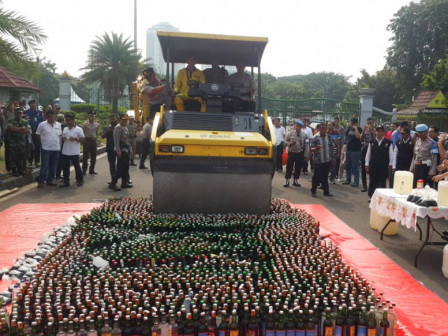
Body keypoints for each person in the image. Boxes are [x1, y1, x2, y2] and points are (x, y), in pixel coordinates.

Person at [365, 126, 394, 199]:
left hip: (383, 166)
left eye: (380, 131)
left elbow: (391, 154)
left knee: (382, 182)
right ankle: (371, 196)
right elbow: (368, 153)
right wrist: (367, 163)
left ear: (384, 133)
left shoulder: (388, 142)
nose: (378, 133)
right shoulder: (372, 142)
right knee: (373, 181)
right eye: (377, 131)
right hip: (373, 165)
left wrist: (391, 164)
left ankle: (382, 197)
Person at [36, 110, 62, 188]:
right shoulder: (42, 124)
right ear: (47, 117)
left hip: (56, 148)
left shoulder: (58, 125)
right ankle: (41, 181)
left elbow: (60, 135)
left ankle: (50, 180)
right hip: (46, 148)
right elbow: (38, 134)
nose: (51, 118)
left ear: (55, 116)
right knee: (45, 165)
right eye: (50, 117)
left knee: (53, 166)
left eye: (53, 116)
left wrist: (59, 145)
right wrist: (42, 143)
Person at [310, 124, 336, 197]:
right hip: (318, 160)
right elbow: (310, 149)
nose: (324, 131)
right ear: (319, 129)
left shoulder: (329, 137)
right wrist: (316, 149)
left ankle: (326, 191)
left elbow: (332, 147)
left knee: (325, 176)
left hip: (327, 160)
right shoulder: (315, 138)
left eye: (325, 129)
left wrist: (333, 158)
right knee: (316, 176)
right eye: (322, 129)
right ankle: (313, 191)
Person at [109, 114, 133, 191]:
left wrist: (130, 149)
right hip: (121, 150)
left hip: (126, 149)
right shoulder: (118, 128)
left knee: (126, 168)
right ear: (120, 120)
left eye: (126, 120)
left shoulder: (125, 128)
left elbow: (127, 140)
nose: (125, 121)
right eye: (123, 120)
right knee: (120, 168)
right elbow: (116, 140)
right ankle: (113, 183)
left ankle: (124, 183)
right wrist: (118, 150)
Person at [60, 112, 85, 187]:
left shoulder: (78, 129)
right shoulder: (65, 128)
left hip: (74, 151)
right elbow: (63, 137)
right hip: (66, 151)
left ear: (73, 120)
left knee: (77, 166)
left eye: (68, 120)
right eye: (66, 120)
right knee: (65, 167)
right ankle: (66, 181)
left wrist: (76, 139)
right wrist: (63, 138)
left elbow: (83, 139)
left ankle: (79, 180)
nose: (67, 122)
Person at [283, 120, 309, 188]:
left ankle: (295, 180)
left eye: (299, 126)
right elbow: (284, 141)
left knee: (298, 167)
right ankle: (287, 181)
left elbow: (307, 145)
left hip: (300, 153)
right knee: (289, 167)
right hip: (291, 152)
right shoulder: (290, 133)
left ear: (301, 127)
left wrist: (306, 155)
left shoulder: (304, 135)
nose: (297, 127)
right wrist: (289, 143)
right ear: (295, 126)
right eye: (296, 126)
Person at [6, 105, 30, 176]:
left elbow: (28, 130)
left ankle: (20, 170)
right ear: (15, 113)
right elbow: (10, 129)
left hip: (21, 143)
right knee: (13, 158)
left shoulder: (24, 121)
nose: (19, 114)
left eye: (20, 113)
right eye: (17, 113)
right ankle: (14, 171)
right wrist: (21, 129)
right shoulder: (11, 120)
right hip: (13, 143)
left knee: (21, 157)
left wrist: (16, 130)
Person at [343, 118, 362, 187]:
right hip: (349, 150)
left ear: (357, 123)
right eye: (352, 123)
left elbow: (358, 137)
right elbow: (346, 138)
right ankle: (348, 179)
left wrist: (356, 128)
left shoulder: (359, 129)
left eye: (354, 123)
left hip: (356, 151)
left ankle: (356, 181)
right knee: (348, 166)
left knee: (355, 167)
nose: (353, 124)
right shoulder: (349, 129)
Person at [24, 99, 44, 167]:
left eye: (34, 104)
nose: (34, 105)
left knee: (37, 146)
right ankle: (30, 161)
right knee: (30, 146)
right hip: (29, 131)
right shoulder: (26, 112)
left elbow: (42, 122)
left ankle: (37, 161)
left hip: (37, 131)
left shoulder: (39, 112)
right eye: (32, 104)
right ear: (29, 105)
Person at [101, 114, 118, 183]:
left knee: (122, 165)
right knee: (112, 165)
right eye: (111, 119)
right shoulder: (106, 128)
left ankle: (125, 179)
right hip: (110, 149)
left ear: (116, 119)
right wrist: (107, 131)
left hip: (119, 148)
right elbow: (102, 137)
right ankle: (113, 180)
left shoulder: (119, 127)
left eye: (114, 119)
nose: (112, 120)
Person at [82, 111, 99, 175]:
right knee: (85, 156)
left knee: (94, 156)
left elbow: (96, 132)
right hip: (87, 140)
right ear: (88, 117)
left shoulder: (97, 124)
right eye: (91, 116)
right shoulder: (85, 124)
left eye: (93, 116)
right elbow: (83, 132)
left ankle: (92, 170)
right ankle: (84, 170)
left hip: (93, 140)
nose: (92, 117)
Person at [360, 117, 375, 192]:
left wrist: (371, 131)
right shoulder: (365, 131)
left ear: (373, 123)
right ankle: (364, 185)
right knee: (363, 168)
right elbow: (361, 139)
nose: (369, 125)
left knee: (372, 169)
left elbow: (375, 139)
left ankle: (372, 186)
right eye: (368, 123)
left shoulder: (376, 131)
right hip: (365, 149)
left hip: (373, 151)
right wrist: (363, 131)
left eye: (370, 123)